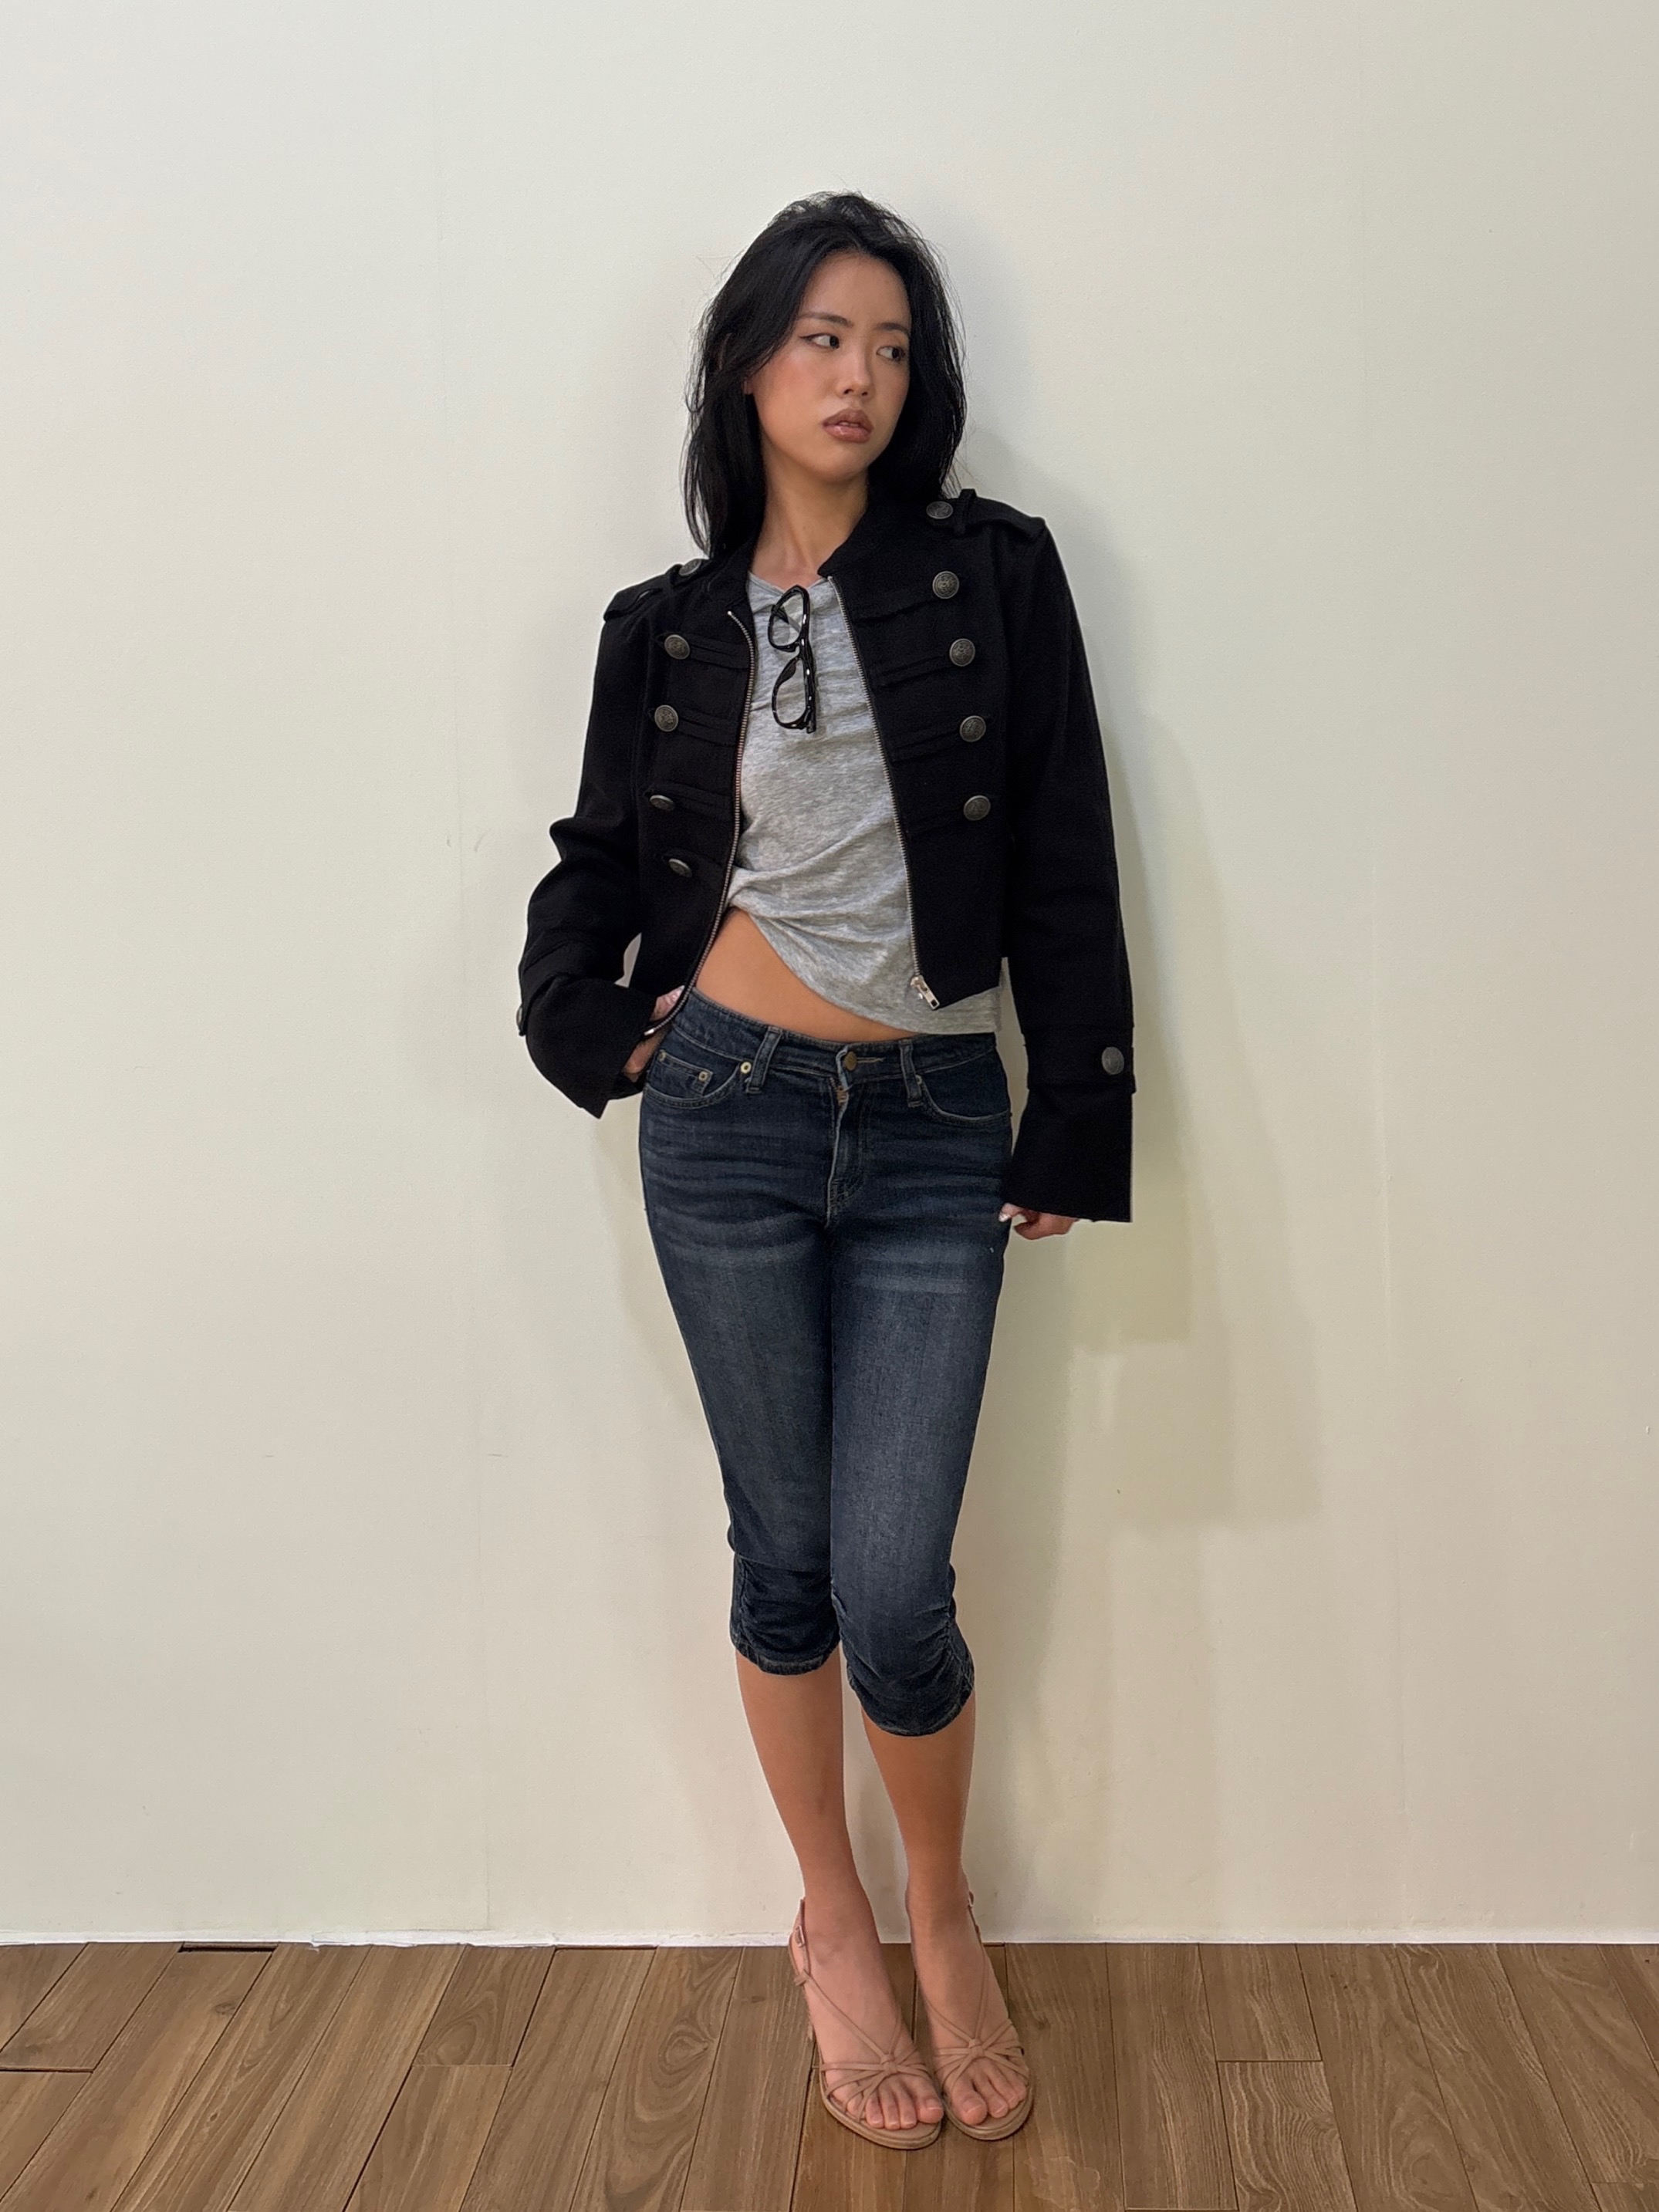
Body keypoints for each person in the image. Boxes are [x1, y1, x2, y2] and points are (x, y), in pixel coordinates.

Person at [515, 191, 1134, 2150]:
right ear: (744, 366)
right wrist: (581, 1021)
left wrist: (1074, 1105)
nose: (856, 374)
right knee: (783, 1562)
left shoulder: (994, 574)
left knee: (893, 1583)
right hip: (725, 1115)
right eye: (819, 338)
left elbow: (1062, 842)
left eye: (887, 343)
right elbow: (596, 857)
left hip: (938, 1117)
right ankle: (836, 1924)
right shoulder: (667, 627)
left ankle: (944, 1915)